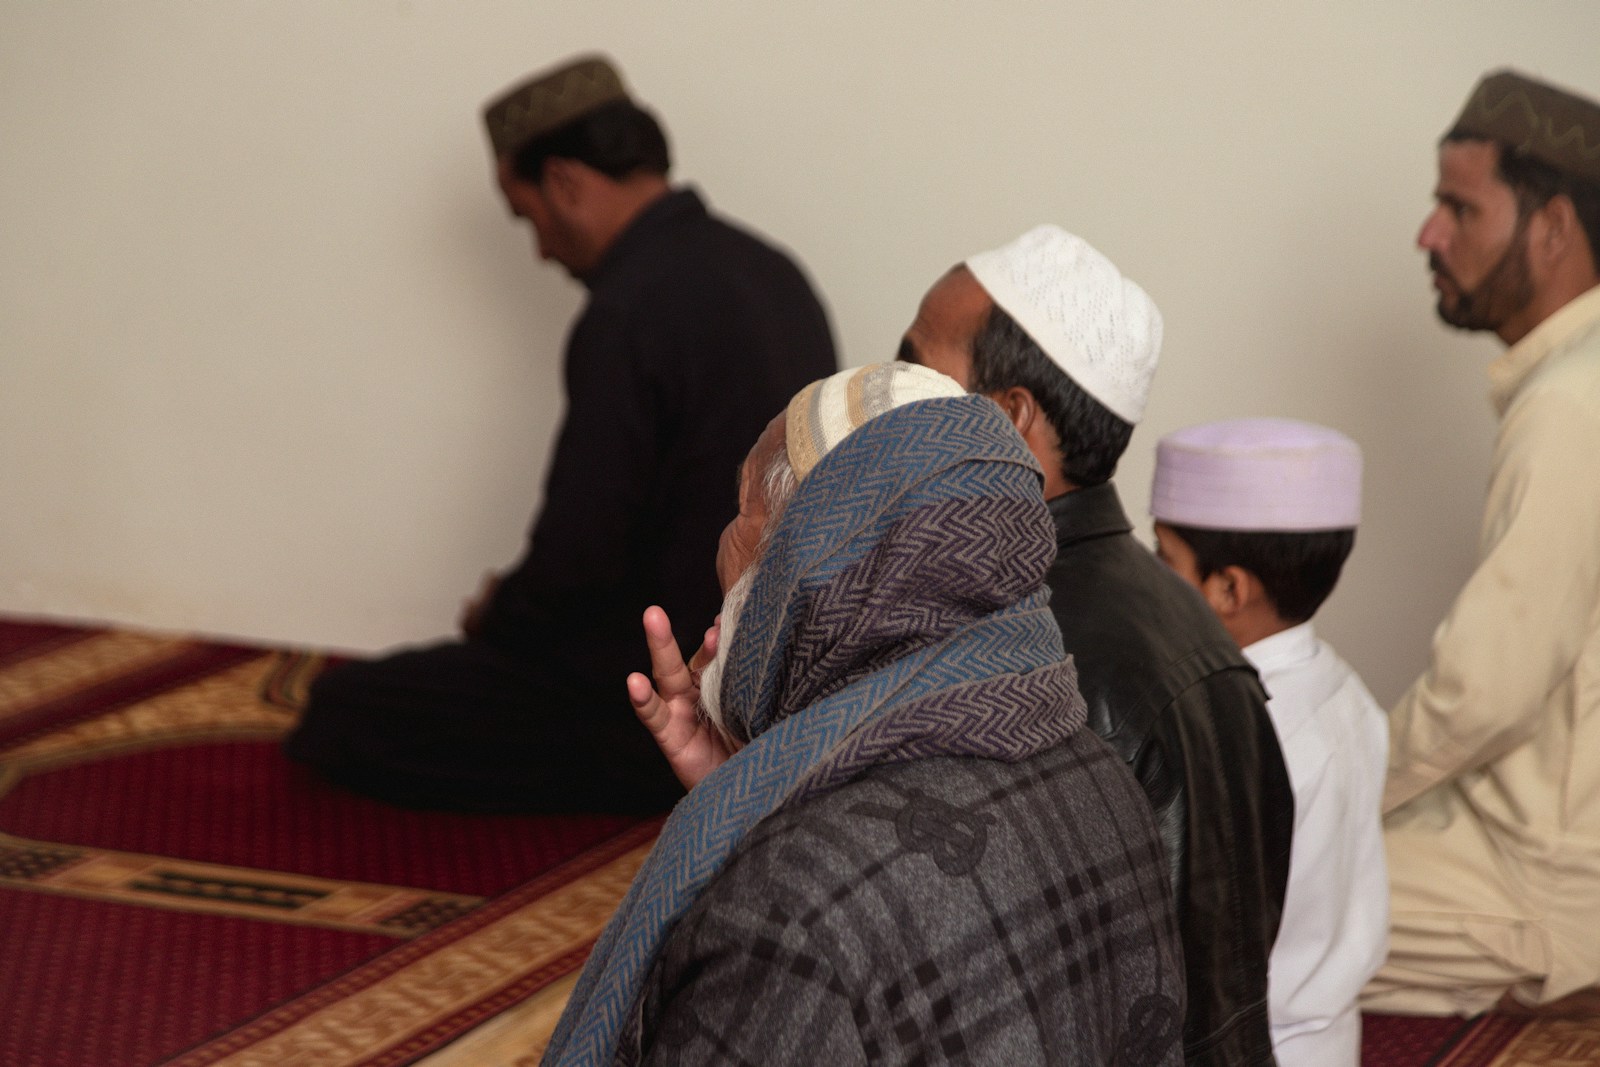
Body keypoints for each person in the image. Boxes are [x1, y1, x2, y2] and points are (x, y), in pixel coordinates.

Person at [544, 362, 1187, 1066]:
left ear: (810, 563)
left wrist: (767, 842)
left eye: (744, 519)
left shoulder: (783, 909)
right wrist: (755, 787)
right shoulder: (1102, 774)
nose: (724, 556)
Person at [283, 55, 836, 812]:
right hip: (781, 671)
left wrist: (498, 614)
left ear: (567, 183)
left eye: (529, 216)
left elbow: (582, 557)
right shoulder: (776, 272)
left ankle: (655, 771)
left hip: (658, 673)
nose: (540, 249)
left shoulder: (627, 312)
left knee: (346, 711)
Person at [898, 225, 1294, 1065]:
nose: (881, 395)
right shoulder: (1177, 614)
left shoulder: (1026, 651)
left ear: (1008, 419)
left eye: (912, 367)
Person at [1361, 69, 1600, 1015]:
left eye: (1459, 208)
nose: (1429, 235)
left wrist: (1327, 792)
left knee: (1220, 905)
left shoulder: (1570, 408)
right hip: (1520, 830)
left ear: (1553, 227)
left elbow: (1484, 696)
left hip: (1545, 883)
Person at [1149, 418, 1388, 1066]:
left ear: (1228, 588)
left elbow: (1214, 946)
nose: (1147, 576)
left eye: (1163, 557)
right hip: (1331, 1036)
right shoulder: (1347, 689)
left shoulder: (1245, 733)